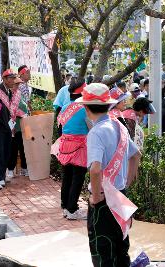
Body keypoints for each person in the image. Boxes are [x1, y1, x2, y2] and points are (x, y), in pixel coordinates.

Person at [75, 83, 141, 266]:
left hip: (103, 199)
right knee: (121, 247)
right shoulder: (118, 126)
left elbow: (95, 169)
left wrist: (96, 197)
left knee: (102, 249)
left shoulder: (96, 133)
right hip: (120, 196)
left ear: (86, 108)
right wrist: (125, 184)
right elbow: (136, 156)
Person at [55, 79, 89, 220]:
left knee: (67, 175)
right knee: (78, 177)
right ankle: (72, 209)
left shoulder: (65, 107)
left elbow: (60, 128)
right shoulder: (84, 108)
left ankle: (65, 206)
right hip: (80, 146)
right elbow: (92, 126)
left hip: (65, 145)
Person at [6, 73, 29, 178]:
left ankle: (24, 168)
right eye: (16, 84)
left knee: (24, 147)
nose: (17, 86)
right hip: (13, 126)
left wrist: (25, 113)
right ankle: (10, 169)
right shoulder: (8, 95)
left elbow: (25, 106)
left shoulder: (19, 94)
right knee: (13, 148)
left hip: (23, 125)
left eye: (19, 84)